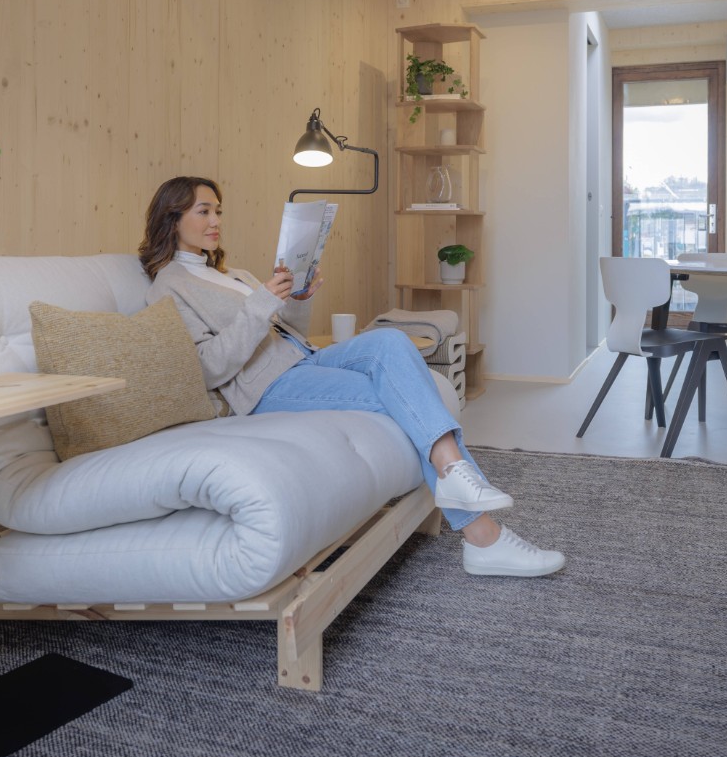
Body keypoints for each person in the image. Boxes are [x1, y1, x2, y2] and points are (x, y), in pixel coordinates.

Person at [140, 176, 564, 577]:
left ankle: (456, 478)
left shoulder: (230, 274)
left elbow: (286, 333)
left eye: (217, 211)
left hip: (304, 358)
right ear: (173, 219)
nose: (215, 221)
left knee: (390, 342)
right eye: (203, 212)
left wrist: (298, 298)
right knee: (403, 398)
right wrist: (261, 303)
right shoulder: (169, 286)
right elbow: (208, 367)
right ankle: (483, 535)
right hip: (267, 387)